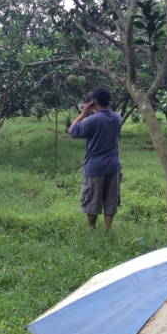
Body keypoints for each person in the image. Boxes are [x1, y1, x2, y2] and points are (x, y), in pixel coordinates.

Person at [68, 86, 123, 230]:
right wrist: (93, 113)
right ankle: (107, 230)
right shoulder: (117, 117)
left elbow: (72, 130)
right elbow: (104, 120)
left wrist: (83, 113)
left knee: (92, 200)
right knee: (111, 200)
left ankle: (92, 229)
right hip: (113, 166)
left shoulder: (91, 120)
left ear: (95, 101)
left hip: (95, 167)